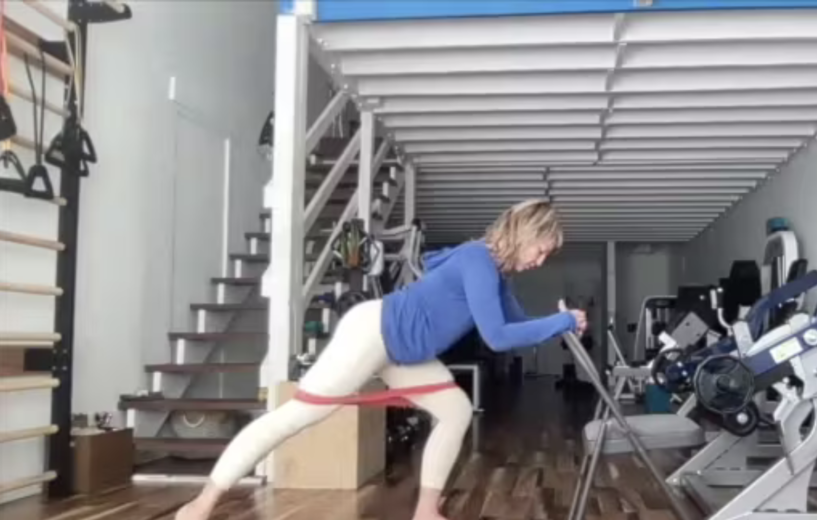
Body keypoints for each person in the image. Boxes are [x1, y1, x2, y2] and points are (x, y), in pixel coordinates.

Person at [175, 199, 588, 520]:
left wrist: (563, 323)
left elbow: (518, 325)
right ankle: (203, 503)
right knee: (298, 416)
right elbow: (497, 338)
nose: (540, 261)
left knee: (456, 410)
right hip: (373, 333)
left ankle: (426, 510)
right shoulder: (478, 260)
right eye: (541, 250)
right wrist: (562, 320)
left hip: (405, 353)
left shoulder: (497, 277)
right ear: (526, 234)